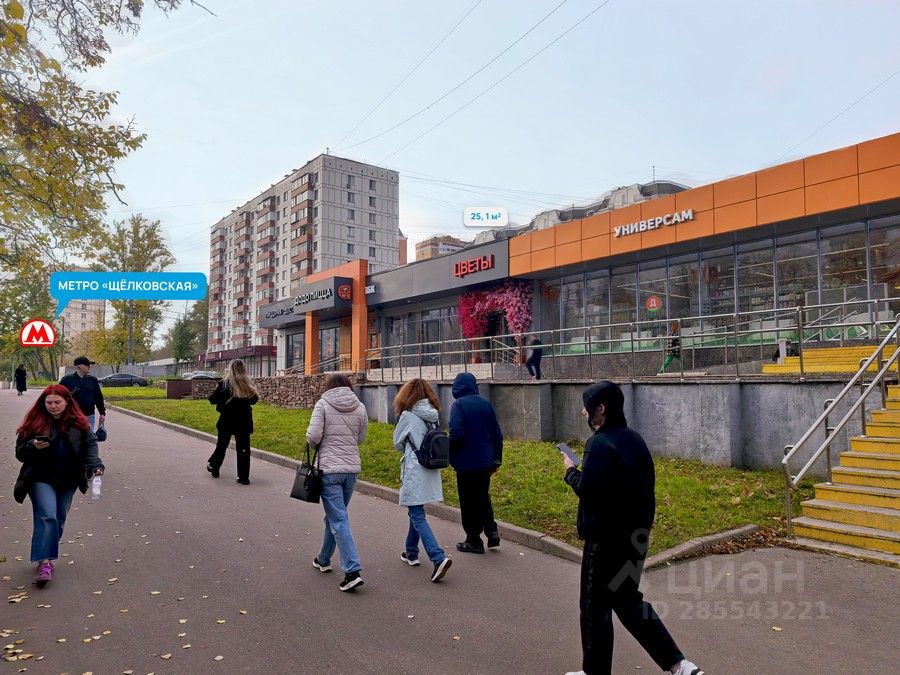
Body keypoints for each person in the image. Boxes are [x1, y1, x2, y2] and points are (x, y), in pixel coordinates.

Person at [561, 381, 703, 675]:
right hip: (636, 539)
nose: (583, 412)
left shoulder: (599, 444)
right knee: (627, 602)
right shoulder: (635, 440)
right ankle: (680, 666)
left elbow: (589, 491)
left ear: (601, 409)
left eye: (587, 407)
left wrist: (570, 472)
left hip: (604, 543)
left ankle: (595, 672)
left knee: (594, 608)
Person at [13, 385, 104, 588]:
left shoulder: (79, 424)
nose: (53, 406)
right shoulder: (34, 422)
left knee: (59, 517)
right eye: (49, 402)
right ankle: (45, 562)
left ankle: (45, 552)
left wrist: (96, 466)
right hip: (40, 477)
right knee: (47, 515)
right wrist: (32, 446)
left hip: (68, 479)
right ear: (43, 403)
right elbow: (19, 453)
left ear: (67, 402)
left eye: (57, 402)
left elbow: (90, 448)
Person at [306, 374, 368, 592]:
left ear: (329, 387)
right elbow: (361, 437)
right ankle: (323, 559)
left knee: (338, 518)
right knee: (335, 517)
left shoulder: (322, 404)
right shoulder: (360, 407)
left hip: (329, 470)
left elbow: (313, 437)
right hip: (351, 470)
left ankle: (352, 570)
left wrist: (314, 438)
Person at [392, 378, 452, 583]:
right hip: (430, 468)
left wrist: (409, 446)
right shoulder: (433, 415)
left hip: (415, 469)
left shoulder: (407, 416)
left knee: (417, 514)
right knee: (415, 509)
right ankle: (411, 552)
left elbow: (397, 443)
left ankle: (438, 557)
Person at [448, 372, 503, 554]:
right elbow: (497, 434)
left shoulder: (459, 404)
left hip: (466, 462)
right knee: (482, 496)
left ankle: (473, 540)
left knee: (468, 501)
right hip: (485, 461)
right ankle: (492, 532)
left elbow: (456, 433)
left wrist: (449, 450)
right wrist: (497, 459)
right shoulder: (486, 404)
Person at [206, 359, 259, 485]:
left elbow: (212, 400)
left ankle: (215, 467)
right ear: (243, 370)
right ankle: (243, 477)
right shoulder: (247, 385)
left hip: (227, 420)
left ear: (230, 370)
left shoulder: (224, 384)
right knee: (244, 449)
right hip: (244, 421)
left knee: (222, 445)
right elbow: (254, 401)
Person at [59, 356, 105, 431]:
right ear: (78, 366)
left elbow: (98, 397)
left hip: (89, 416)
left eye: (89, 365)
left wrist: (102, 413)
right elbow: (58, 397)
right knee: (74, 437)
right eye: (86, 364)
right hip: (72, 417)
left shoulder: (92, 380)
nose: (89, 366)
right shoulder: (66, 380)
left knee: (89, 438)